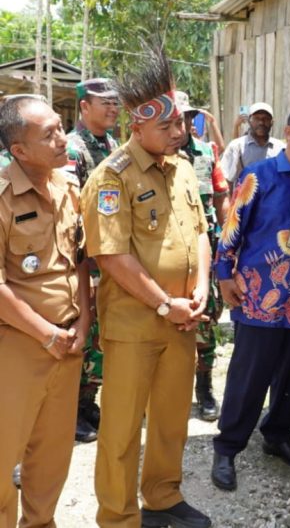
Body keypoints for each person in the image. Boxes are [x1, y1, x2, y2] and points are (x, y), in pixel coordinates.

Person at [81, 49, 211, 528]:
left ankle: (162, 496)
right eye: (168, 128)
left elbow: (199, 231)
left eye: (180, 124)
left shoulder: (179, 168)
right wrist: (164, 304)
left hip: (182, 319)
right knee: (120, 428)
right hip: (136, 325)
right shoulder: (111, 177)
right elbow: (111, 256)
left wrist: (199, 287)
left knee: (172, 419)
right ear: (138, 128)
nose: (180, 134)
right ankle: (117, 516)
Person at [210, 106, 290, 491]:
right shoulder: (258, 176)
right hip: (259, 295)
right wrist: (224, 276)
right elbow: (231, 229)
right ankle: (227, 446)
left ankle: (277, 435)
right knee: (249, 375)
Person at [0, 95, 90, 527]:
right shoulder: (1, 198)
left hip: (68, 345)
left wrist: (83, 323)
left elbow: (80, 263)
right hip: (18, 348)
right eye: (49, 134)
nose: (62, 139)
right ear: (19, 150)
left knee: (52, 458)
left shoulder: (68, 187)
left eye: (61, 127)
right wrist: (47, 334)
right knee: (2, 463)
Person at [66, 77, 121, 443]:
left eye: (116, 103)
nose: (114, 108)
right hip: (85, 259)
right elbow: (71, 210)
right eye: (106, 103)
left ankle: (89, 403)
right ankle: (73, 409)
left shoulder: (112, 144)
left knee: (101, 336)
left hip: (109, 257)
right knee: (84, 332)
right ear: (85, 107)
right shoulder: (74, 148)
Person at [175, 91, 230, 422]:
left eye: (187, 117)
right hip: (169, 255)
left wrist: (228, 247)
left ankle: (205, 387)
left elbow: (221, 198)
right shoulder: (157, 154)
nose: (182, 124)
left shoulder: (206, 153)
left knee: (207, 321)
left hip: (206, 251)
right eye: (177, 117)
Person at [220, 101, 284, 185]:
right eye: (257, 118)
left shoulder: (281, 148)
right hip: (245, 197)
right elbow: (226, 180)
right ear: (249, 121)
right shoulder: (236, 146)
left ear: (272, 122)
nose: (261, 122)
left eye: (266, 119)